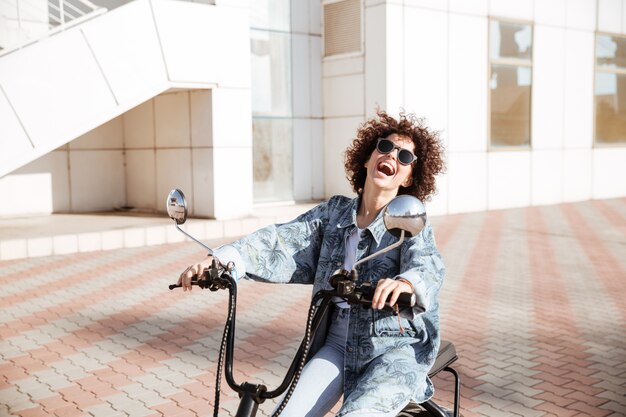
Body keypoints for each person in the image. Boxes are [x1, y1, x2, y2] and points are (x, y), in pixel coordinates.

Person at [178, 110, 446, 417]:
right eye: (384, 148)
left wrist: (405, 284)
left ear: (410, 176)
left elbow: (428, 265)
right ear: (368, 159)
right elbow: (282, 240)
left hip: (390, 349)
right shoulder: (334, 213)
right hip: (334, 341)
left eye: (405, 156)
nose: (392, 156)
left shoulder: (409, 221)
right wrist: (222, 261)